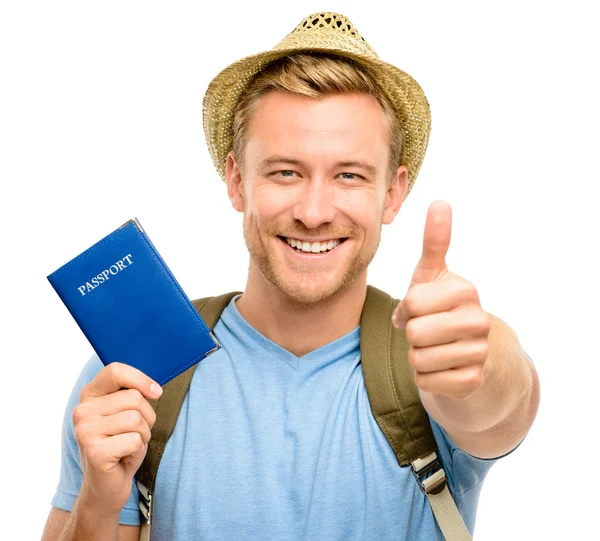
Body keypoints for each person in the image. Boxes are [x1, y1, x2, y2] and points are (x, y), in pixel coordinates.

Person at [41, 11, 540, 541]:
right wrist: (99, 497)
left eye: (349, 175)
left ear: (392, 194)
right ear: (236, 180)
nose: (314, 210)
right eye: (286, 172)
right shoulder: (135, 372)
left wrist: (481, 359)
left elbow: (503, 404)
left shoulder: (428, 363)